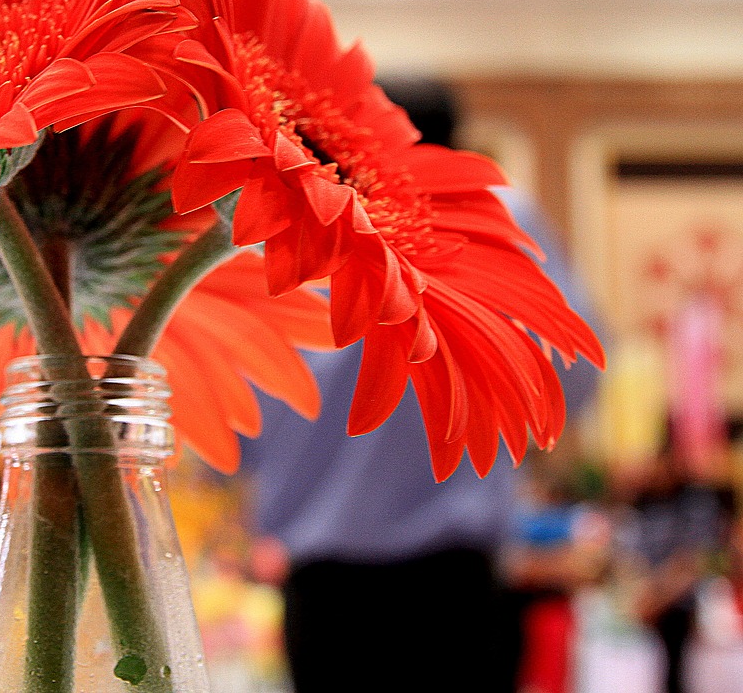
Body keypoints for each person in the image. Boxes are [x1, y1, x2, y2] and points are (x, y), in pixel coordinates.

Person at [240, 78, 605, 693]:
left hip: (324, 594)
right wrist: (497, 419)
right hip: (453, 589)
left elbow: (238, 418)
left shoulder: (286, 229)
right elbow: (578, 370)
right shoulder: (497, 215)